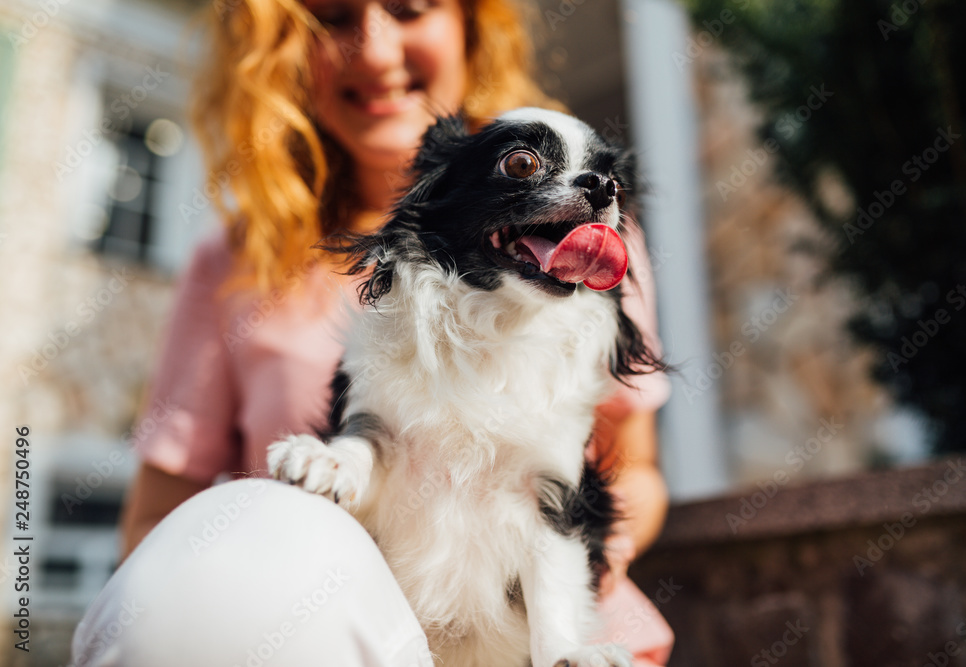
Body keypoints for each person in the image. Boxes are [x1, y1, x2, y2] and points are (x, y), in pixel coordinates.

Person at [73, 0, 674, 664]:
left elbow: (635, 471)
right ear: (283, 47)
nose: (377, 49)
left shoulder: (592, 259)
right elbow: (157, 525)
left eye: (409, 8)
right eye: (333, 16)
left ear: (470, 25)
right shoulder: (229, 267)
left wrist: (582, 575)